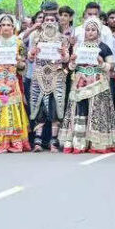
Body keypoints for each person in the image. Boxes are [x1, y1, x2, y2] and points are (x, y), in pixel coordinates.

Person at [59, 17, 115, 153]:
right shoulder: (78, 47)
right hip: (80, 83)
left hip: (98, 84)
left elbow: (112, 66)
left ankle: (96, 144)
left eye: (93, 30)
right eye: (87, 30)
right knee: (80, 111)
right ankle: (79, 143)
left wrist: (102, 64)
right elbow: (71, 67)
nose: (90, 32)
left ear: (98, 32)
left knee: (96, 112)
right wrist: (73, 62)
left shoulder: (104, 47)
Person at [0, 14, 31, 153]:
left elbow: (23, 66)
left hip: (12, 80)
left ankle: (13, 140)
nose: (6, 27)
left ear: (13, 27)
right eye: (3, 25)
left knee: (11, 107)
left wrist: (19, 60)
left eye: (9, 25)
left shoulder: (19, 42)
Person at [28, 12, 70, 152]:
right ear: (43, 22)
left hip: (56, 77)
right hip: (39, 76)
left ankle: (53, 142)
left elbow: (66, 60)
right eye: (47, 20)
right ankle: (38, 142)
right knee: (39, 109)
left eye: (53, 20)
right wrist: (33, 52)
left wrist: (64, 54)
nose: (50, 22)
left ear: (57, 22)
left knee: (55, 109)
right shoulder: (36, 37)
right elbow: (30, 58)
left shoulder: (62, 39)